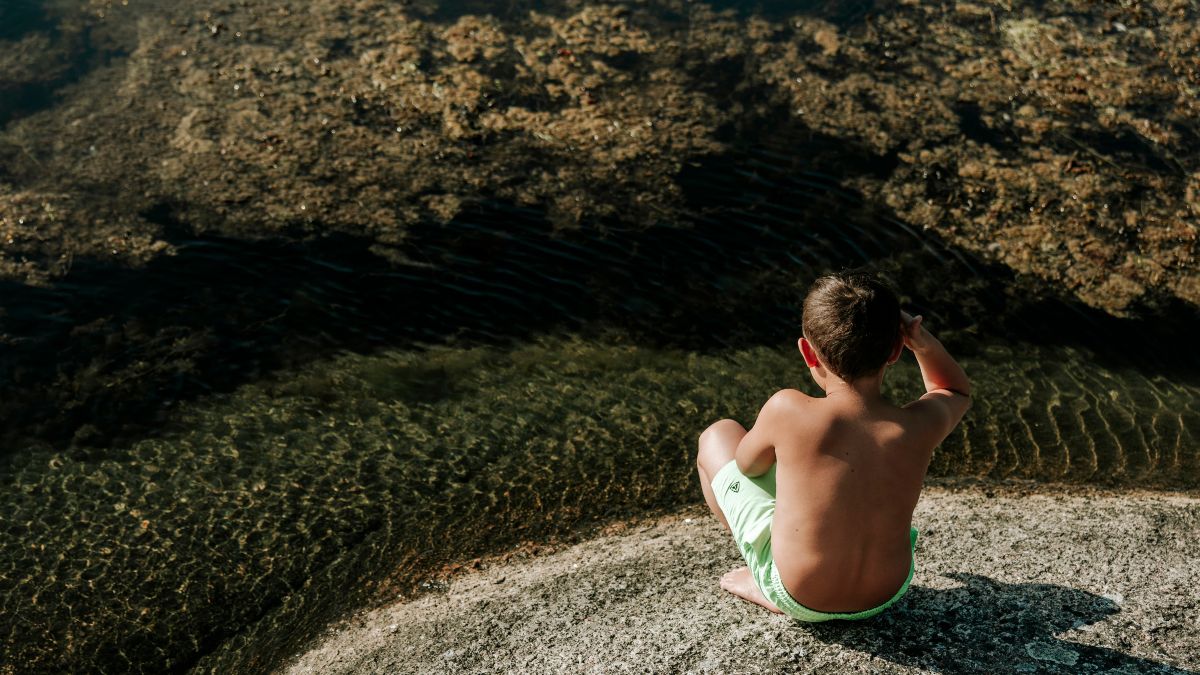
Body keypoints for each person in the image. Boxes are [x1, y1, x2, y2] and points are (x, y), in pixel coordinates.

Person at [695, 270, 971, 621]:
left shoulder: (787, 409)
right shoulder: (916, 425)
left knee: (717, 434)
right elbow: (954, 390)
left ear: (807, 353)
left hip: (799, 596)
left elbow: (748, 466)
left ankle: (761, 575)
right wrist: (922, 341)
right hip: (887, 592)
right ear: (896, 349)